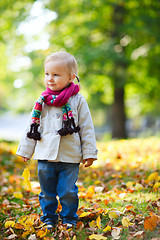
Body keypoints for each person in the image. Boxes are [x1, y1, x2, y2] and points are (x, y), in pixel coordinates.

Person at [16, 52, 98, 230]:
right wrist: (25, 151)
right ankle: (49, 217)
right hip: (45, 155)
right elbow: (31, 127)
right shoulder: (42, 101)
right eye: (47, 74)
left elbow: (87, 128)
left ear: (71, 77)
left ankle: (69, 217)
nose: (50, 79)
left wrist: (90, 153)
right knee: (47, 192)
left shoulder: (78, 100)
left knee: (68, 191)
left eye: (56, 75)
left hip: (69, 156)